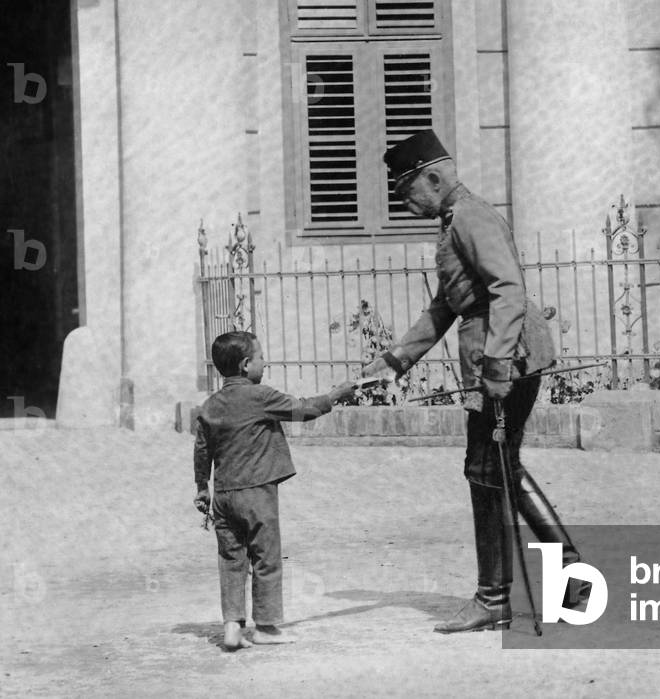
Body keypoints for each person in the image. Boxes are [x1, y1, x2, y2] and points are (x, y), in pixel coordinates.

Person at [363, 129, 587, 634]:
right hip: (499, 358)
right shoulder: (453, 220)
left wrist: (496, 365)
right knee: (496, 466)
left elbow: (508, 289)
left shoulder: (469, 217)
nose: (405, 203)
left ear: (434, 177)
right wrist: (396, 359)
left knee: (485, 467)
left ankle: (494, 599)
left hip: (505, 359)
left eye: (406, 192)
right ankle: (570, 577)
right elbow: (447, 304)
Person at [193, 330, 354, 650]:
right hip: (257, 493)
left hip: (224, 495)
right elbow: (302, 410)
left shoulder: (210, 404)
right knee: (265, 558)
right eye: (261, 357)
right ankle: (265, 626)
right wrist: (335, 395)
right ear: (245, 365)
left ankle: (232, 626)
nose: (265, 363)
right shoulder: (260, 397)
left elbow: (202, 449)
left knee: (231, 559)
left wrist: (202, 488)